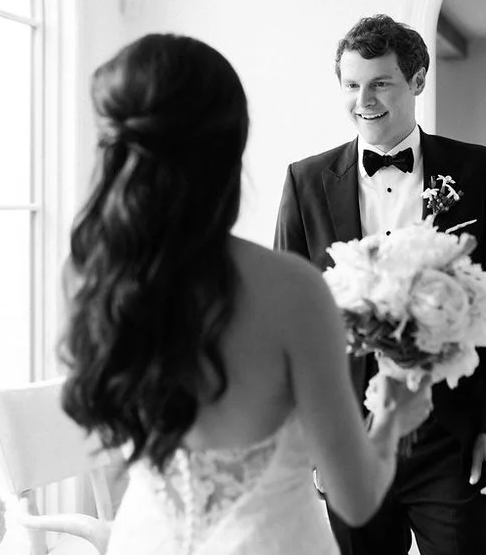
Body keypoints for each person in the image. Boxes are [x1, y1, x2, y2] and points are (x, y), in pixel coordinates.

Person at [59, 33, 433, 555]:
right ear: (229, 144)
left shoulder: (90, 275)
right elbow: (357, 499)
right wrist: (395, 415)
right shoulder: (291, 290)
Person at [275, 15, 486, 555]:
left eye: (380, 83)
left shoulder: (477, 171)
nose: (363, 99)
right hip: (350, 437)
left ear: (417, 81)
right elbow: (290, 322)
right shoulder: (305, 181)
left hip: (452, 436)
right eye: (352, 85)